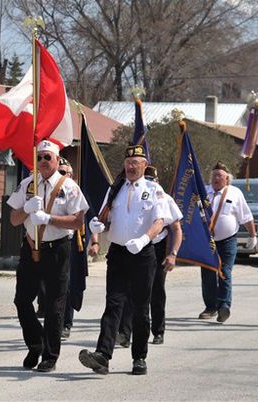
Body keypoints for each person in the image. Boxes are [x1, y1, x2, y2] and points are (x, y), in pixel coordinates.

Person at [79, 145, 172, 376]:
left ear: (144, 164)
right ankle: (102, 356)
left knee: (141, 308)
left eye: (136, 162)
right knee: (113, 304)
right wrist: (97, 228)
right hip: (119, 253)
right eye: (128, 162)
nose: (131, 166)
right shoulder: (115, 189)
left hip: (142, 254)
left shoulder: (154, 189)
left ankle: (139, 357)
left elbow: (160, 221)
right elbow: (105, 218)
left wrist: (144, 239)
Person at [7, 140, 89, 373]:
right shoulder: (27, 183)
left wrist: (49, 219)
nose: (43, 161)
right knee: (22, 300)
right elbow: (13, 219)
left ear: (56, 159)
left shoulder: (69, 186)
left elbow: (77, 221)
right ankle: (35, 343)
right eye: (40, 157)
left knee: (54, 305)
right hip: (31, 247)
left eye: (47, 157)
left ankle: (50, 356)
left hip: (57, 249)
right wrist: (27, 209)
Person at [115, 166, 183, 347]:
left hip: (158, 247)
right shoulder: (132, 194)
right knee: (130, 290)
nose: (150, 182)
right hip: (136, 246)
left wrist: (173, 254)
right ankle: (125, 333)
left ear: (157, 181)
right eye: (147, 178)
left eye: (152, 179)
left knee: (156, 290)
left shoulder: (164, 199)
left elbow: (176, 229)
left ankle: (158, 331)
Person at [198, 161, 256, 323]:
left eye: (220, 176)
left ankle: (224, 306)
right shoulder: (203, 192)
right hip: (207, 241)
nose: (216, 178)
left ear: (227, 179)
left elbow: (246, 216)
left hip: (228, 240)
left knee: (225, 271)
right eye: (214, 175)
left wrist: (252, 236)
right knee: (208, 273)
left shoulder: (235, 193)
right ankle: (210, 307)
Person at [56, 157, 98, 340]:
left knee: (70, 285)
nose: (60, 176)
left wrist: (95, 242)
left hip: (75, 245)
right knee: (55, 285)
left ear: (71, 175)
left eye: (63, 172)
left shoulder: (79, 193)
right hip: (54, 243)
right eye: (58, 172)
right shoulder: (50, 193)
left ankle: (66, 323)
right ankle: (55, 322)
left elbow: (91, 220)